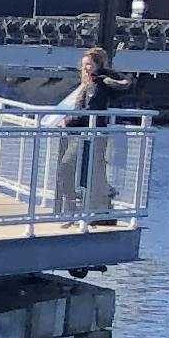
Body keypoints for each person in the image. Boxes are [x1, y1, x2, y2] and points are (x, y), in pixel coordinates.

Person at [51, 46, 113, 218]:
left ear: (97, 66)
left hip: (90, 134)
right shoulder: (90, 84)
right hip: (84, 134)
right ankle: (81, 205)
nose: (85, 68)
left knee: (67, 167)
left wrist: (67, 122)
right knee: (88, 170)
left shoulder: (97, 85)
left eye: (89, 64)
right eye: (84, 64)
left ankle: (78, 205)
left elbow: (88, 111)